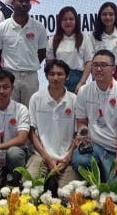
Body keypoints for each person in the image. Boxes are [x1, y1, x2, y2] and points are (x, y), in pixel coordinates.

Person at [71, 50, 117, 181]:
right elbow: (81, 121)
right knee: (79, 160)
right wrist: (84, 133)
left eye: (103, 65)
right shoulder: (84, 91)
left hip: (116, 148)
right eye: (95, 65)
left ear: (113, 69)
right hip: (94, 144)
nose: (98, 69)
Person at [0, 0, 47, 107]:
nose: (24, 4)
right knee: (10, 112)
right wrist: (6, 70)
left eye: (27, 1)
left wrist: (29, 64)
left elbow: (42, 53)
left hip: (31, 76)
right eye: (20, 1)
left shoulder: (39, 27)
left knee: (31, 113)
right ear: (13, 3)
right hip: (10, 76)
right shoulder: (1, 27)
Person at [27, 60, 79, 189]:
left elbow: (77, 134)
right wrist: (47, 157)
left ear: (67, 77)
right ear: (46, 76)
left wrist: (68, 157)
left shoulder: (74, 100)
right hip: (41, 155)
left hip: (66, 158)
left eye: (60, 74)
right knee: (29, 187)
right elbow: (32, 132)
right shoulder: (36, 98)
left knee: (70, 194)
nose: (55, 78)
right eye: (52, 74)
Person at [46, 6, 93, 93]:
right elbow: (49, 63)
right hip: (58, 79)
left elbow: (89, 62)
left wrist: (82, 82)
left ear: (76, 21)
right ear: (60, 21)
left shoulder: (85, 38)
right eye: (64, 19)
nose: (68, 22)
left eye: (71, 19)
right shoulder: (52, 40)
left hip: (78, 79)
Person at [90, 2, 117, 85]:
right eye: (104, 14)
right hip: (99, 72)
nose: (108, 17)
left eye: (111, 14)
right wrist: (96, 77)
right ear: (100, 16)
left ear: (116, 16)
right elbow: (90, 61)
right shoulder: (93, 36)